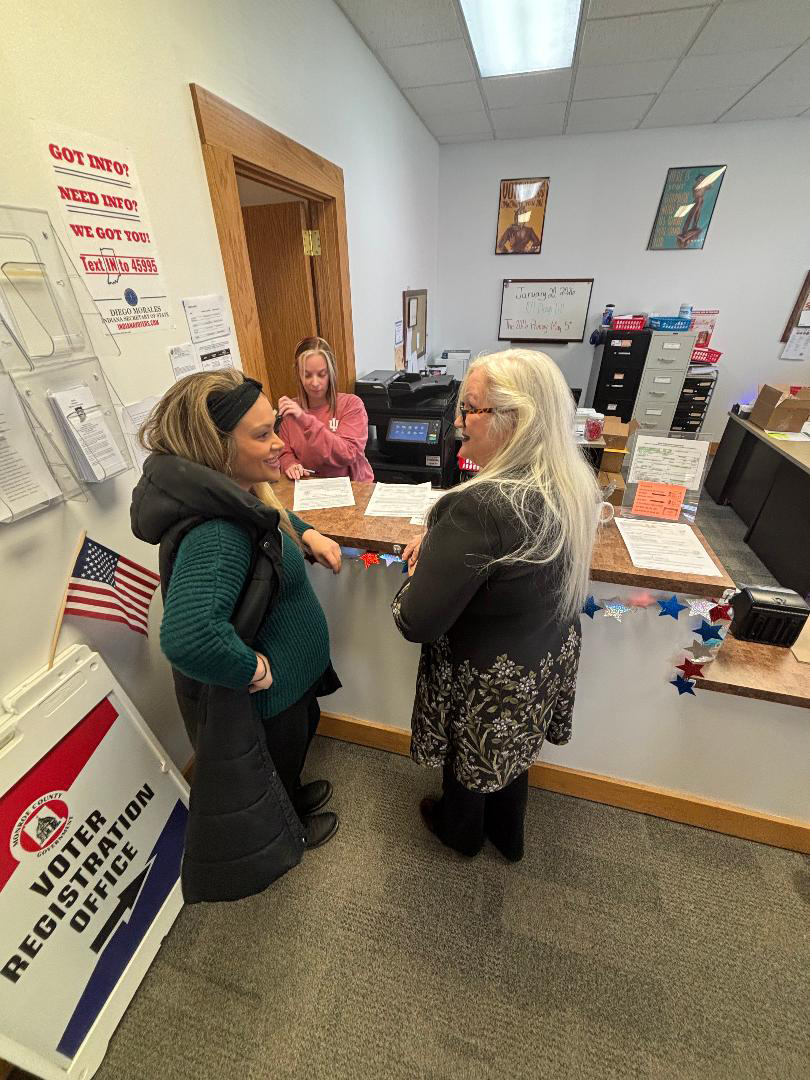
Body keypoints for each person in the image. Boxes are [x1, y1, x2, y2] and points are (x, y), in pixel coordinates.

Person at [131, 371, 342, 900]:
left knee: (293, 751)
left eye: (275, 428)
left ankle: (291, 794)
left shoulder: (240, 497)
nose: (279, 444)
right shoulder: (217, 534)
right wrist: (254, 668)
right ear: (216, 449)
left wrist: (306, 530)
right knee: (276, 761)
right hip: (271, 694)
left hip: (295, 682)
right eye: (262, 435)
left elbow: (269, 514)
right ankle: (288, 822)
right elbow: (187, 636)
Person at [391, 350, 600, 862]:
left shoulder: (478, 506)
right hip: (540, 662)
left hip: (488, 674)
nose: (457, 423)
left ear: (516, 419)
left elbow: (416, 620)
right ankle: (508, 835)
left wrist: (420, 569)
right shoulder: (571, 486)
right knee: (515, 751)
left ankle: (459, 833)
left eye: (469, 409)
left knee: (473, 758)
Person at [278, 335, 374, 482]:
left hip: (353, 488)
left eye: (322, 374)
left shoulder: (351, 405)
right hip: (310, 487)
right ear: (299, 375)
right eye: (307, 375)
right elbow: (284, 452)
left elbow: (348, 453)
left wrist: (305, 420)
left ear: (331, 373)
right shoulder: (291, 410)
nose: (315, 383)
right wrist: (291, 464)